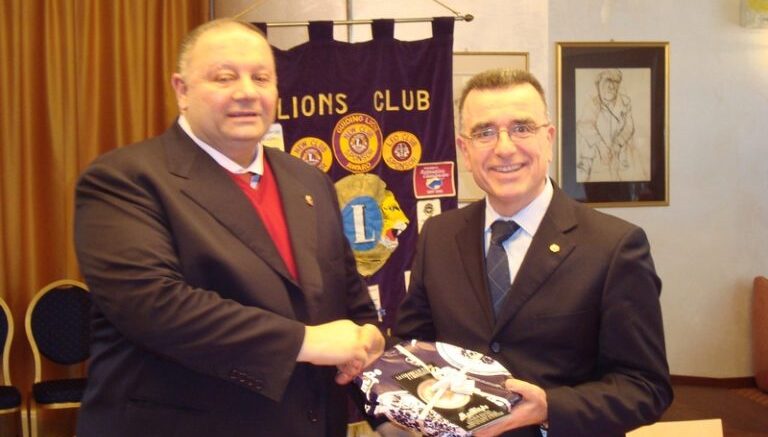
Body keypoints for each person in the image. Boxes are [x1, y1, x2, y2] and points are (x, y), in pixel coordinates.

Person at [74, 18, 384, 437]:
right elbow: (153, 305)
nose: (247, 92)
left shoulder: (309, 181)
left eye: (261, 77)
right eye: (224, 77)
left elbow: (347, 295)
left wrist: (370, 343)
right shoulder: (123, 179)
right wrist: (305, 342)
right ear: (181, 90)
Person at [393, 69, 671, 437]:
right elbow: (411, 349)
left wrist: (550, 409)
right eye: (484, 132)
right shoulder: (438, 236)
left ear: (549, 139)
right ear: (465, 150)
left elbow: (645, 387)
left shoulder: (615, 246)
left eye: (521, 128)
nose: (504, 148)